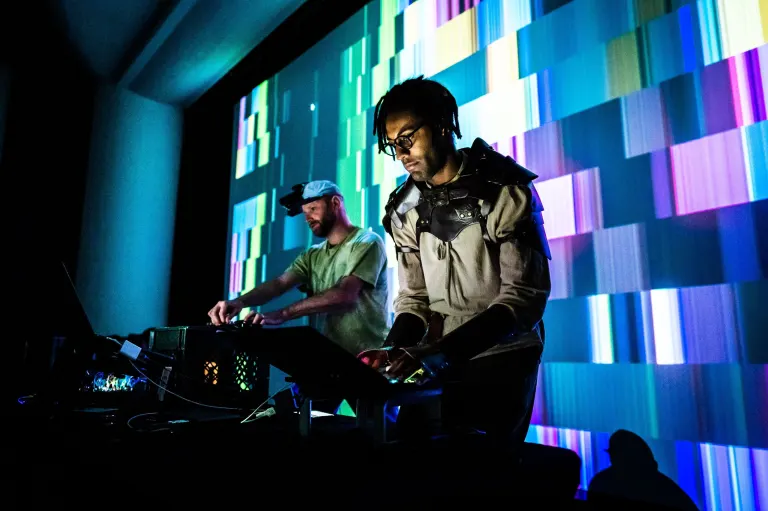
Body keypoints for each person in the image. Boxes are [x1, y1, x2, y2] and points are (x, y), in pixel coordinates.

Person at [359, 76, 552, 459]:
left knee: (481, 473)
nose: (402, 153)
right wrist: (392, 349)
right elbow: (414, 298)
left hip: (502, 359)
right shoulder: (403, 209)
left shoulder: (506, 189)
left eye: (408, 137)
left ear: (442, 126)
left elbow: (521, 300)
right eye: (393, 144)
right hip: (435, 361)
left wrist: (436, 353)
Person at [208, 180, 389, 357]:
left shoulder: (367, 242)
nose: (307, 218)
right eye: (304, 212)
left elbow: (344, 296)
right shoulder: (312, 255)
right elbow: (279, 284)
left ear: (335, 203)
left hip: (368, 361)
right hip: (330, 363)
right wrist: (240, 302)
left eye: (313, 209)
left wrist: (282, 315)